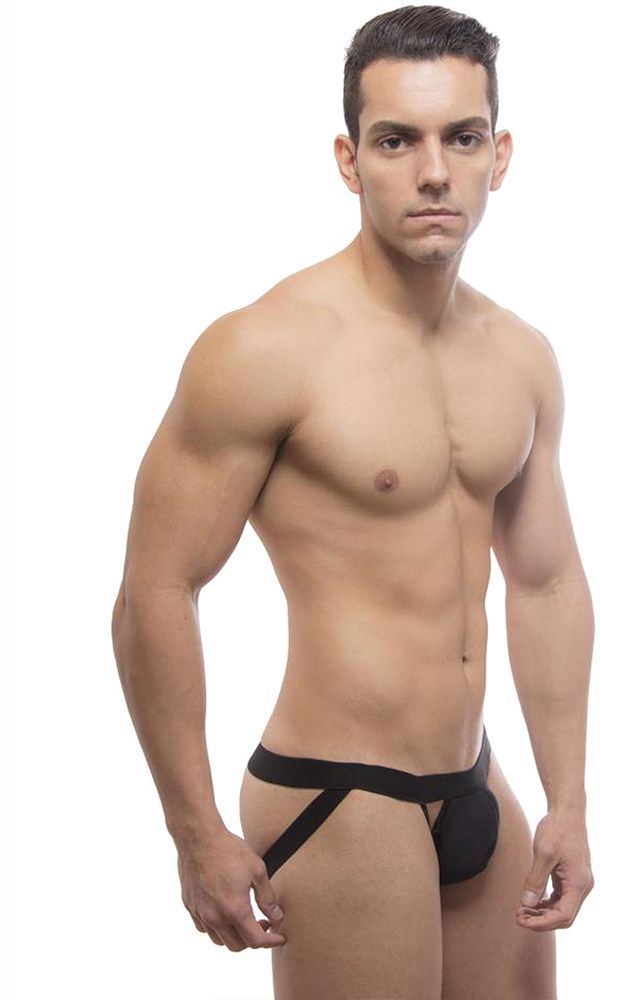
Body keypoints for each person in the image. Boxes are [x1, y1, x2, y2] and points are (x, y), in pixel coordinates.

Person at [111, 5, 595, 997]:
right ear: (349, 159)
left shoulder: (520, 357)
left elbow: (545, 584)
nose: (434, 171)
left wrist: (570, 797)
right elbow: (154, 591)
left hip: (476, 780)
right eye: (396, 140)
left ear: (499, 155)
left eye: (462, 138)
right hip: (338, 793)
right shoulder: (264, 350)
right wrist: (193, 829)